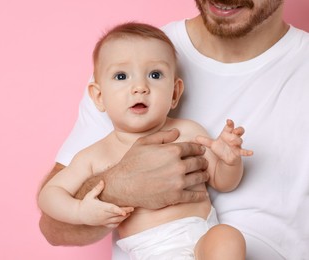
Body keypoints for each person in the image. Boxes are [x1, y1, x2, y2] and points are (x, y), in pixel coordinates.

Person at [38, 1, 309, 259]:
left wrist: (229, 159)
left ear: (175, 93)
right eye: (122, 77)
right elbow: (51, 214)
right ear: (98, 96)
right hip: (153, 251)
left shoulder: (187, 130)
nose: (139, 87)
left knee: (227, 237)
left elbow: (223, 180)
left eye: (155, 76)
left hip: (203, 239)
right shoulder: (132, 54)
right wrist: (92, 203)